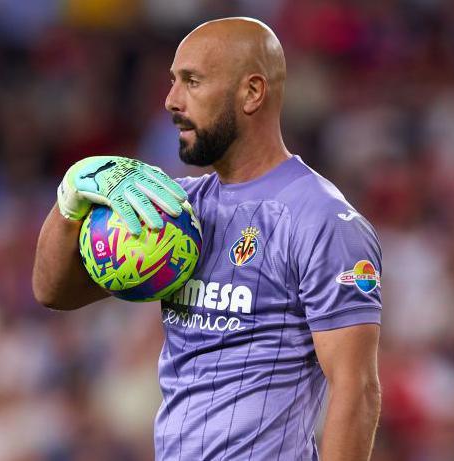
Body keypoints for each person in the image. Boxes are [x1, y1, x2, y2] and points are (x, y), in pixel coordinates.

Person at [33, 17, 382, 461]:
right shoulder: (175, 212)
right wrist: (69, 201)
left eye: (192, 82)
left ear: (252, 92)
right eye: (173, 81)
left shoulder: (322, 219)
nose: (171, 100)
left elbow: (358, 390)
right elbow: (53, 292)